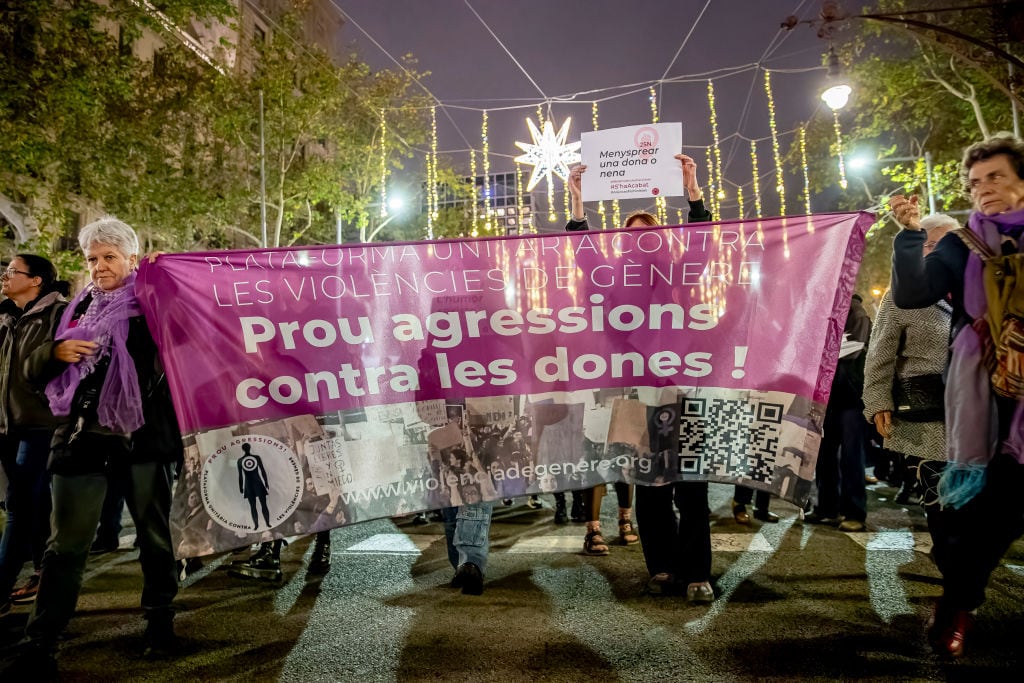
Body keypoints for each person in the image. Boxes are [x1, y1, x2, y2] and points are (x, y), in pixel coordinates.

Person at [14, 217, 182, 671]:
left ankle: (159, 622)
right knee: (65, 546)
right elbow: (30, 374)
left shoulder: (156, 306)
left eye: (110, 257)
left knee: (153, 538)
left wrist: (167, 281)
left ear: (132, 259)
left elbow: (196, 340)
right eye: (92, 259)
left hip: (144, 443)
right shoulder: (74, 312)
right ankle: (42, 640)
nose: (100, 266)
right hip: (81, 441)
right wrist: (55, 353)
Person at [890, 133, 1024, 658]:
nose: (983, 189)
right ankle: (959, 603)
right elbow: (912, 293)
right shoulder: (962, 242)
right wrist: (907, 237)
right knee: (986, 507)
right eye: (974, 182)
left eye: (994, 177)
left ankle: (959, 597)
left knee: (1011, 508)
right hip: (984, 391)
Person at [567, 155, 716, 600]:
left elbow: (700, 247)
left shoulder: (677, 276)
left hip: (681, 389)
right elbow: (585, 257)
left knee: (690, 487)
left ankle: (696, 573)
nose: (638, 243)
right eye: (630, 238)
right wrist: (577, 205)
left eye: (647, 236)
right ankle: (663, 567)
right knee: (650, 488)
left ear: (661, 244)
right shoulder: (610, 280)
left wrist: (693, 192)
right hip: (634, 394)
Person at [862, 213, 955, 513]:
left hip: (982, 413)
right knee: (940, 496)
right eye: (930, 245)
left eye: (948, 246)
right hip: (929, 414)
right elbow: (879, 355)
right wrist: (878, 403)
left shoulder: (980, 292)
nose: (939, 253)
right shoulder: (899, 297)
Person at [0, 256, 69, 615]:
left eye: (13, 272)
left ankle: (1, 587)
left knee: (19, 504)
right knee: (34, 504)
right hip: (7, 425)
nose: (5, 277)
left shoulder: (59, 315)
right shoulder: (6, 317)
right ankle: (43, 571)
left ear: (37, 280)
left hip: (41, 424)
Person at [806, 294, 872, 532]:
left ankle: (854, 511)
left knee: (851, 456)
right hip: (827, 396)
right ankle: (827, 507)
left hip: (851, 398)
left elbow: (852, 350)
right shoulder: (822, 309)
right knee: (824, 454)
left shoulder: (856, 312)